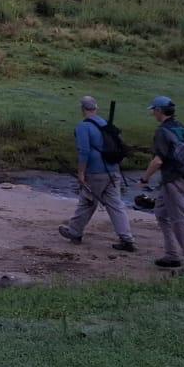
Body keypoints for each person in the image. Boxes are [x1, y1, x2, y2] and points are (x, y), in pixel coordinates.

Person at [57, 96, 135, 251]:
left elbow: (84, 151)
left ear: (82, 109)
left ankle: (74, 232)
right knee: (116, 205)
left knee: (87, 201)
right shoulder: (106, 124)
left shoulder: (83, 127)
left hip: (95, 172)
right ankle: (127, 238)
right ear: (96, 108)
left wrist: (81, 173)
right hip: (113, 171)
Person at [139, 95, 184, 273]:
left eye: (154, 110)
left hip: (172, 181)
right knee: (161, 213)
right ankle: (172, 255)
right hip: (183, 179)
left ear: (159, 111)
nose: (153, 113)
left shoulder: (162, 132)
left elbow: (158, 161)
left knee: (178, 221)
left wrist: (144, 179)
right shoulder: (180, 127)